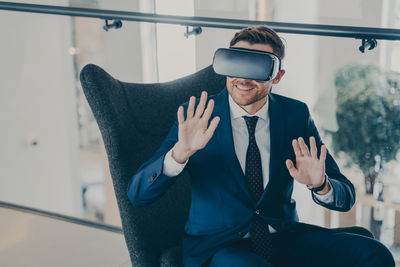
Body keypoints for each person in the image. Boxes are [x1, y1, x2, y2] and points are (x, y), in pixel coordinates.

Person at [127, 26, 394, 267]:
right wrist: (179, 154)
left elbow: (344, 197)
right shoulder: (196, 116)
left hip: (284, 238)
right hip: (218, 248)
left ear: (277, 76)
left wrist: (320, 184)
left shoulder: (294, 116)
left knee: (375, 254)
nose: (243, 78)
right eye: (237, 62)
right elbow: (137, 195)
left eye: (255, 68)